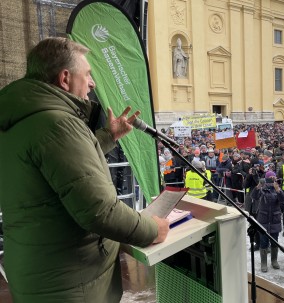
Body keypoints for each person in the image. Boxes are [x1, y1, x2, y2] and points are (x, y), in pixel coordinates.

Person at [0, 37, 170, 302]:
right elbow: (100, 211)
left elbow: (59, 167)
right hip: (70, 283)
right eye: (88, 74)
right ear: (65, 78)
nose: (92, 83)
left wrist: (107, 136)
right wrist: (152, 229)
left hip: (37, 270)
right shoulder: (57, 125)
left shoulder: (23, 119)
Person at [251, 171, 284, 273]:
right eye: (269, 178)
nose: (271, 179)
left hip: (275, 219)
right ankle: (264, 262)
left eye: (273, 177)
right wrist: (258, 186)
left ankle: (274, 260)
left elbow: (282, 199)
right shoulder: (262, 189)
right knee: (264, 241)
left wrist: (277, 188)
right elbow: (254, 196)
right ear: (265, 179)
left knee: (275, 241)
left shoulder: (277, 188)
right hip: (263, 219)